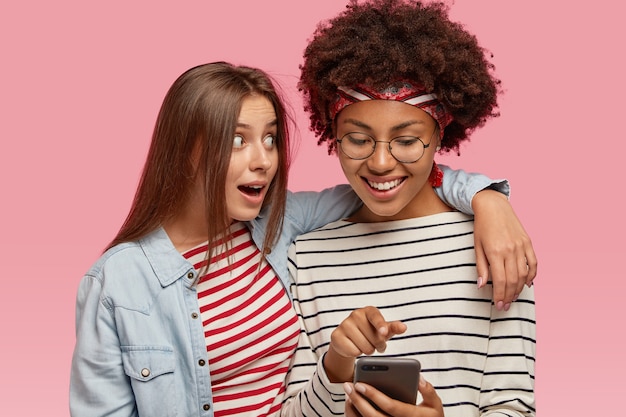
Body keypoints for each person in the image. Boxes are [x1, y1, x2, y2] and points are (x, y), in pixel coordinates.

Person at [70, 61, 533, 416]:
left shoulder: (277, 228)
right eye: (236, 140)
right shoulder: (120, 282)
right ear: (185, 151)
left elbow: (389, 184)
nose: (263, 161)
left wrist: (488, 199)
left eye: (271, 139)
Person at [283, 1, 535, 416]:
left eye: (406, 140)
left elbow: (515, 407)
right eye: (359, 139)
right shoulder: (305, 256)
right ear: (333, 134)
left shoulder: (496, 248)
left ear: (440, 135)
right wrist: (336, 365)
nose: (381, 163)